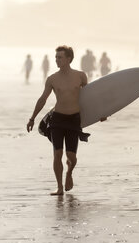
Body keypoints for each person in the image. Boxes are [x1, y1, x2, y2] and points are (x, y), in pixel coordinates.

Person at [26, 46, 92, 196]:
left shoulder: (80, 76)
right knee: (57, 154)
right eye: (56, 57)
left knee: (72, 157)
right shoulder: (52, 79)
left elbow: (89, 98)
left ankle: (69, 172)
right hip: (57, 119)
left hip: (74, 119)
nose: (56, 60)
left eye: (60, 57)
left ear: (68, 59)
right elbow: (43, 99)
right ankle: (59, 187)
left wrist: (101, 113)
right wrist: (32, 118)